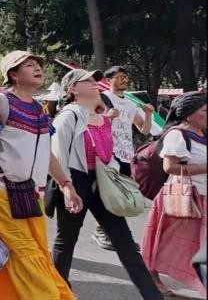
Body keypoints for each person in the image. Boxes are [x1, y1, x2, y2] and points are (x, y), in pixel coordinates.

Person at [0, 51, 83, 300]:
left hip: (32, 194)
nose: (37, 69)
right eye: (29, 65)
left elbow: (46, 154)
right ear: (13, 74)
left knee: (35, 251)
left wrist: (66, 184)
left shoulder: (39, 109)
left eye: (38, 65)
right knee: (25, 253)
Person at [50, 69, 161, 300]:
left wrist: (114, 171)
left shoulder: (103, 117)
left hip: (101, 182)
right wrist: (67, 188)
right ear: (73, 89)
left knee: (125, 243)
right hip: (74, 180)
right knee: (66, 241)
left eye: (94, 80)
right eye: (87, 81)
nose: (94, 83)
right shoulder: (67, 117)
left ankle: (152, 296)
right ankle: (58, 293)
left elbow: (107, 152)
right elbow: (57, 155)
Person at [142, 92, 207, 297]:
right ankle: (152, 276)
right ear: (188, 115)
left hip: (203, 196)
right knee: (168, 242)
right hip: (185, 198)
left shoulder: (204, 133)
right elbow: (170, 167)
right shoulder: (178, 134)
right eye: (205, 111)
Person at [94, 66, 155, 250]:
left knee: (120, 195)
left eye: (125, 77)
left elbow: (143, 129)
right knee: (110, 193)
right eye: (119, 77)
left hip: (127, 154)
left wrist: (149, 114)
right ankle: (104, 232)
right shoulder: (103, 99)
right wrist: (107, 117)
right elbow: (91, 121)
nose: (123, 80)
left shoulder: (130, 103)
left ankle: (113, 234)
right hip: (108, 153)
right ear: (109, 79)